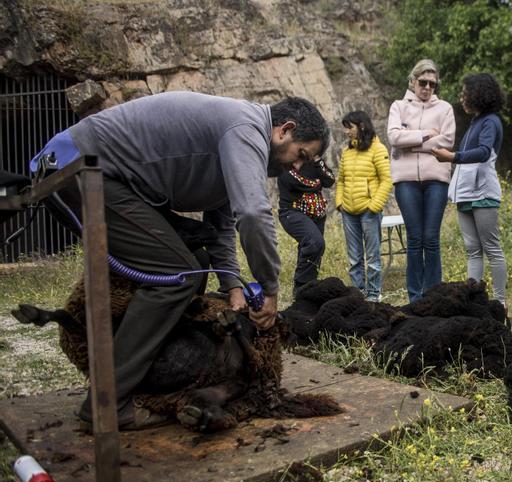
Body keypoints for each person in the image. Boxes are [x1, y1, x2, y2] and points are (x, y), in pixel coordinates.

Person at [30, 91, 328, 429]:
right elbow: (252, 213)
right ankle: (107, 403)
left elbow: (221, 224)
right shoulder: (245, 128)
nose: (298, 166)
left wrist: (232, 286)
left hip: (102, 176)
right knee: (179, 274)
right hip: (74, 167)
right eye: (302, 154)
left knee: (195, 256)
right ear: (284, 130)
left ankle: (150, 369)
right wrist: (270, 290)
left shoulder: (239, 137)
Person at [433, 73, 508, 306]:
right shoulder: (476, 122)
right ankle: (472, 300)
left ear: (479, 95)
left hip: (483, 193)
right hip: (465, 193)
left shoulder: (491, 121)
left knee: (491, 248)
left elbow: (484, 152)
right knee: (472, 250)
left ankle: (499, 301)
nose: (462, 97)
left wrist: (452, 156)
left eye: (466, 93)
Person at [387, 59, 456, 302]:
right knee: (415, 239)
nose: (427, 87)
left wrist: (411, 143)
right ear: (413, 81)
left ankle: (434, 295)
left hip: (436, 178)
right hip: (406, 180)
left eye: (432, 84)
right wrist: (427, 135)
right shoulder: (398, 106)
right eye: (423, 82)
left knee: (431, 238)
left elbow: (447, 142)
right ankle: (415, 297)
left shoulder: (445, 108)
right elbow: (394, 137)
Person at [335, 111, 392, 302]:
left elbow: (386, 181)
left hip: (369, 211)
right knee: (354, 259)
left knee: (373, 258)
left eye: (350, 127)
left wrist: (374, 206)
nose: (347, 132)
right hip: (348, 212)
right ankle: (358, 295)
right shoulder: (347, 151)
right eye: (346, 127)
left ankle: (374, 295)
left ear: (362, 126)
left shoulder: (378, 149)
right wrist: (340, 203)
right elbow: (341, 180)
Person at [278, 155, 335, 297]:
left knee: (314, 250)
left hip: (317, 216)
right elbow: (292, 181)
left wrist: (317, 160)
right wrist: (317, 180)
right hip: (292, 213)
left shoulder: (314, 162)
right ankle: (301, 288)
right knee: (314, 243)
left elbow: (329, 180)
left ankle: (308, 290)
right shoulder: (286, 161)